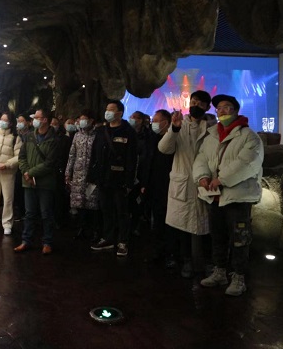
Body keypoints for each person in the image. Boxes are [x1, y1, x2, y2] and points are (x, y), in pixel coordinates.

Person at [194, 94, 263, 296]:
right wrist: (202, 177)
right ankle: (220, 271)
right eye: (219, 108)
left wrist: (221, 179)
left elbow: (247, 162)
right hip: (214, 197)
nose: (222, 111)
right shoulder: (211, 136)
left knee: (240, 239)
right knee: (218, 236)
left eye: (227, 107)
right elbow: (201, 158)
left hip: (238, 197)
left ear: (236, 110)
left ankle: (239, 277)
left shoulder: (249, 136)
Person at [158, 90, 216, 277]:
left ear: (208, 107)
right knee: (183, 227)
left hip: (205, 182)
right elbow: (164, 148)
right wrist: (174, 129)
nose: (195, 105)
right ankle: (187, 262)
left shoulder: (213, 128)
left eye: (200, 103)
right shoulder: (179, 125)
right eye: (194, 101)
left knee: (206, 227)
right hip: (183, 183)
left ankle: (206, 263)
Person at [88, 100, 138, 256]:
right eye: (106, 109)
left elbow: (132, 158)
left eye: (111, 109)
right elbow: (94, 154)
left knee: (122, 211)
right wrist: (92, 175)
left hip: (120, 179)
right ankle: (108, 238)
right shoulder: (101, 131)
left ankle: (123, 241)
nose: (107, 112)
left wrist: (129, 181)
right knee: (106, 209)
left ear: (120, 113)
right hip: (103, 178)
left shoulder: (128, 132)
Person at [14, 108, 58, 255]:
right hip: (28, 182)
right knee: (29, 213)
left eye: (37, 118)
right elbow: (22, 157)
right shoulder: (29, 137)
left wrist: (31, 173)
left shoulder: (54, 139)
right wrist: (26, 172)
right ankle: (26, 240)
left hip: (45, 182)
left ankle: (47, 242)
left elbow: (50, 163)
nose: (34, 121)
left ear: (45, 120)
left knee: (46, 213)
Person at [140, 110, 174, 264]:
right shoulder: (151, 138)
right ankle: (157, 250)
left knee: (168, 220)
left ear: (166, 122)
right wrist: (144, 183)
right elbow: (147, 162)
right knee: (156, 220)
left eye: (156, 120)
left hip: (168, 185)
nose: (153, 123)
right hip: (153, 185)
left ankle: (170, 252)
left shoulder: (173, 139)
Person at [65, 109, 100, 240]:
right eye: (80, 119)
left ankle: (95, 230)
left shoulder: (98, 135)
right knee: (79, 203)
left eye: (84, 119)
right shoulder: (77, 135)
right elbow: (72, 155)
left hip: (92, 175)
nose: (81, 121)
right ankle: (81, 228)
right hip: (78, 174)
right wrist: (68, 172)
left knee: (92, 203)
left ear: (91, 120)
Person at [13, 113, 33, 221]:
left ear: (28, 122)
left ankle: (26, 212)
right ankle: (19, 211)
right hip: (16, 165)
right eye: (18, 121)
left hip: (27, 165)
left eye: (22, 121)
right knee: (17, 189)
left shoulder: (31, 135)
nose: (19, 123)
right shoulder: (15, 135)